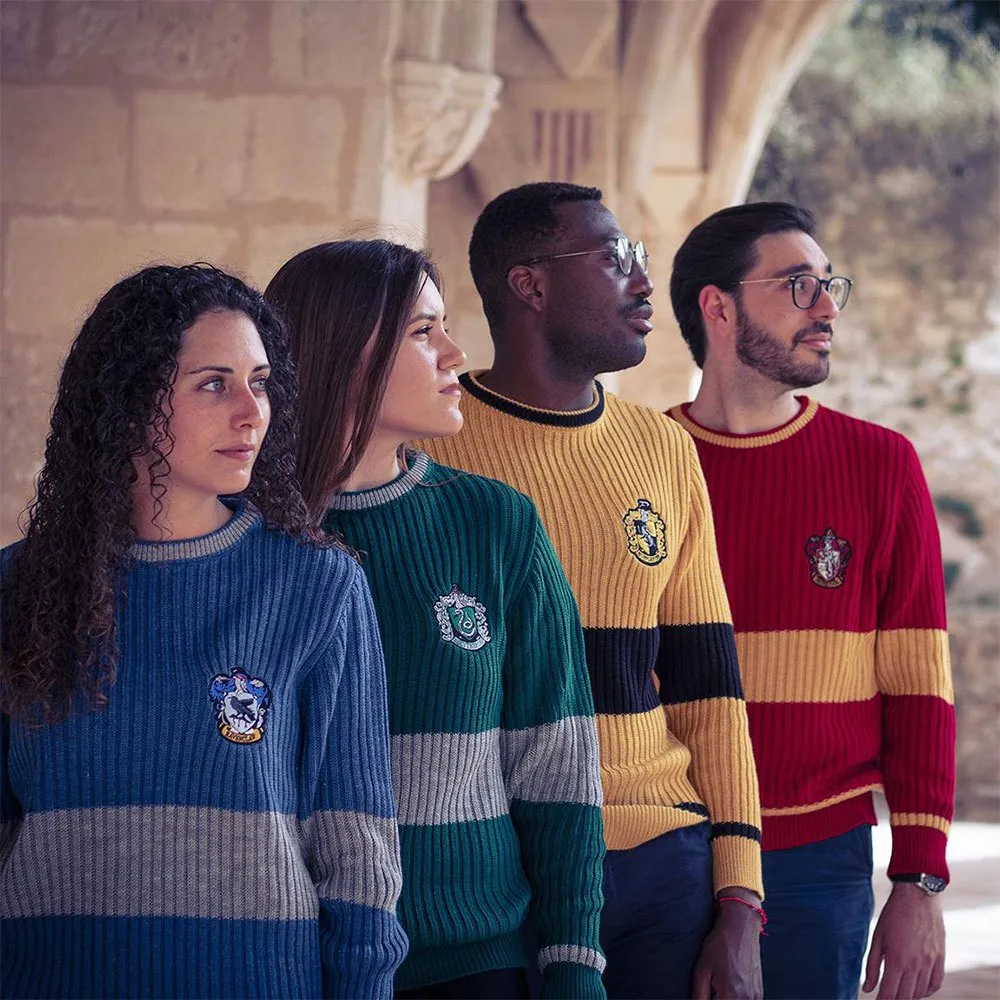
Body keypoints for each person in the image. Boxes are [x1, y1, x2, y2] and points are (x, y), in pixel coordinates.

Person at [0, 264, 407, 999]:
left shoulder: (317, 586)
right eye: (214, 384)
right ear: (128, 402)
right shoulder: (15, 588)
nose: (252, 413)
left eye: (261, 383)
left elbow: (357, 848)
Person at [419, 182, 765, 1000]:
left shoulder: (663, 449)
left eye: (637, 257)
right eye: (614, 260)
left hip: (661, 861)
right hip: (495, 862)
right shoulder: (433, 449)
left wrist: (740, 897)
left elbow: (710, 691)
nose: (644, 282)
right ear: (530, 285)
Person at [264, 240, 606, 1000]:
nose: (455, 354)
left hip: (476, 961)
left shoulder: (497, 522)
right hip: (288, 960)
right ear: (342, 352)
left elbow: (557, 763)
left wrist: (575, 958)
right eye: (424, 332)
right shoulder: (245, 540)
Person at [667, 202, 955, 1000]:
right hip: (667, 847)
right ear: (718, 307)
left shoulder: (882, 464)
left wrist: (919, 879)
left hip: (820, 859)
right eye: (798, 285)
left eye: (830, 285)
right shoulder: (640, 462)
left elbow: (919, 688)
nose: (827, 307)